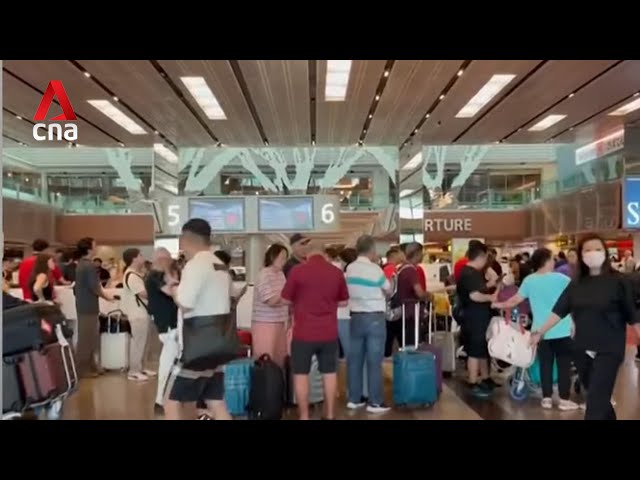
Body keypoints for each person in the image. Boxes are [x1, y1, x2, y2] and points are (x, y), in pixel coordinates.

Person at [531, 233, 640, 420]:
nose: (593, 253)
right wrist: (539, 332)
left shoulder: (619, 281)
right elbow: (559, 310)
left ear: (605, 252)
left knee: (595, 405)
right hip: (582, 348)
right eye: (587, 250)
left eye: (597, 249)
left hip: (609, 348)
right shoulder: (576, 284)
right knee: (599, 397)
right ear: (581, 255)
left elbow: (632, 315)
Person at [493, 248, 579, 411]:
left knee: (545, 364)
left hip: (539, 332)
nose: (554, 261)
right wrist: (574, 322)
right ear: (547, 260)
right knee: (563, 366)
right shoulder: (563, 279)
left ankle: (546, 398)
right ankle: (564, 399)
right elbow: (572, 302)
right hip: (562, 329)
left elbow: (514, 301)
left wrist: (497, 304)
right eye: (552, 259)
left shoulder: (529, 281)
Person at [164, 218, 232, 421]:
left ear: (185, 239)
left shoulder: (195, 265)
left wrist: (173, 289)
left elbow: (185, 303)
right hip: (219, 343)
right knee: (215, 401)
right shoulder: (219, 264)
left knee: (171, 401)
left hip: (196, 346)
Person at [281, 242, 349, 420]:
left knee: (301, 374)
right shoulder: (336, 272)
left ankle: (304, 416)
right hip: (328, 332)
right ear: (324, 254)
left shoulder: (297, 271)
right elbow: (344, 302)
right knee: (329, 373)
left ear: (307, 255)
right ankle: (330, 414)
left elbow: (285, 299)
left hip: (303, 332)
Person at [345, 235, 392, 413]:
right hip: (374, 318)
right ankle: (375, 402)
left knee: (355, 360)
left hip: (355, 316)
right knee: (374, 361)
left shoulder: (350, 268)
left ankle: (354, 399)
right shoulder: (375, 269)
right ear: (372, 250)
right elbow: (387, 288)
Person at [456, 241, 497, 397]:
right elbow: (475, 295)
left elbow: (478, 289)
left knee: (482, 348)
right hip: (474, 317)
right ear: (480, 257)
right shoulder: (469, 273)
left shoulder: (473, 273)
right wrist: (490, 297)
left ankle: (485, 378)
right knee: (474, 349)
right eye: (486, 258)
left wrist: (491, 283)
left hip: (479, 316)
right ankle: (473, 382)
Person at [145, 247, 180, 415]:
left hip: (172, 325)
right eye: (166, 259)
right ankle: (160, 400)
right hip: (167, 326)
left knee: (171, 362)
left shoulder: (163, 275)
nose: (169, 262)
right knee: (168, 362)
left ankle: (164, 399)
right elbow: (171, 292)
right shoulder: (154, 276)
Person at [74, 237, 115, 378]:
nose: (96, 247)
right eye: (94, 245)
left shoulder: (81, 264)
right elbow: (95, 287)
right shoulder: (89, 266)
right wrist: (107, 297)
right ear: (89, 248)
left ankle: (92, 367)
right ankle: (79, 371)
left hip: (83, 305)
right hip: (89, 307)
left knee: (89, 337)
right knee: (86, 339)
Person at [251, 243, 290, 368]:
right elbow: (270, 300)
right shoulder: (264, 274)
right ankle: (266, 386)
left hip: (279, 322)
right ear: (272, 257)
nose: (284, 261)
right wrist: (287, 293)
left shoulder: (280, 274)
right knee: (266, 359)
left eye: (285, 258)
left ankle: (278, 386)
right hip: (265, 323)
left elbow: (284, 299)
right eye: (281, 257)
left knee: (279, 360)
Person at [122, 248, 156, 382]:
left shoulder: (136, 274)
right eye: (140, 255)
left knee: (144, 342)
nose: (143, 257)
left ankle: (142, 367)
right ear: (134, 258)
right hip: (137, 313)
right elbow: (143, 293)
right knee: (138, 342)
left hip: (143, 312)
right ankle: (133, 371)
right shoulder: (131, 275)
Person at [393, 242, 431, 348]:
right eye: (422, 253)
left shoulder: (401, 268)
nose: (423, 255)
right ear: (417, 253)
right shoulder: (411, 270)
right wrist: (428, 295)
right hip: (411, 313)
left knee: (405, 344)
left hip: (402, 312)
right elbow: (419, 292)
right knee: (412, 345)